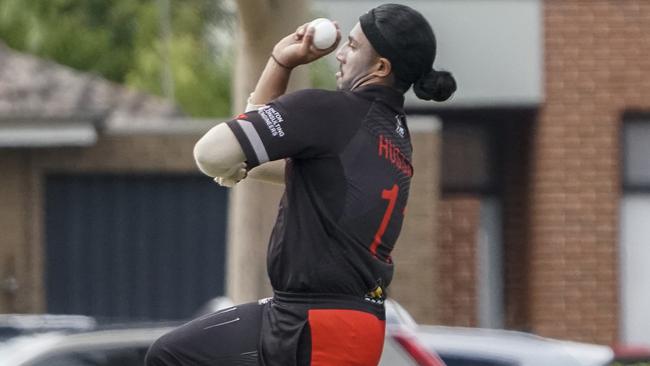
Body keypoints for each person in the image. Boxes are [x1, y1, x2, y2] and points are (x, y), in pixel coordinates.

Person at [145, 4, 456, 366]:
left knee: (170, 357)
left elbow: (210, 154)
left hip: (316, 321)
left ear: (381, 68)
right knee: (172, 353)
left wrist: (237, 159)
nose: (339, 54)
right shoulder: (394, 136)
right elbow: (269, 157)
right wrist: (281, 63)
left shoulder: (331, 112)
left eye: (352, 47)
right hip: (341, 319)